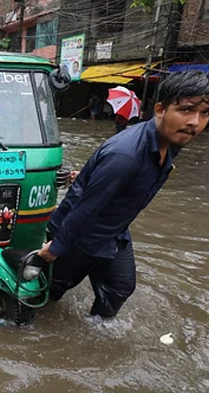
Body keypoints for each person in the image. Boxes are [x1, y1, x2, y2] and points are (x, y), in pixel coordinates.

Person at [37, 70, 209, 318]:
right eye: (186, 110)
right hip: (80, 234)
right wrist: (54, 249)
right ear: (160, 109)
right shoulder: (126, 156)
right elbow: (85, 209)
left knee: (120, 288)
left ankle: (95, 336)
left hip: (114, 232)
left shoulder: (173, 142)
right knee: (49, 293)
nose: (195, 122)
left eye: (204, 113)